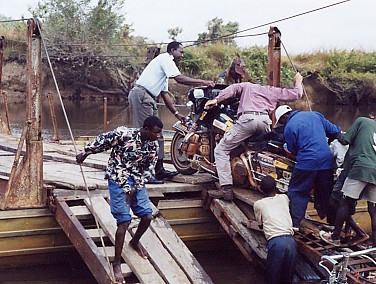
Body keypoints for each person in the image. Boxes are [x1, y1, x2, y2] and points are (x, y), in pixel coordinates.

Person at [76, 116, 163, 283]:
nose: (158, 136)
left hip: (136, 179)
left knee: (147, 216)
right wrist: (86, 152)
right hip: (117, 176)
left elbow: (148, 169)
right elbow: (104, 140)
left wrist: (134, 189)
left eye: (159, 133)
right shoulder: (124, 134)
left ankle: (135, 242)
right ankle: (116, 263)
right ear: (145, 130)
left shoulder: (153, 145)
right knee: (124, 221)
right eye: (156, 133)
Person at [204, 73, 304, 201]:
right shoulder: (272, 91)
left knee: (221, 150)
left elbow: (232, 89)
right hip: (264, 121)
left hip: (248, 119)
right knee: (264, 152)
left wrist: (217, 99)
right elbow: (296, 94)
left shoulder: (247, 86)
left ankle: (226, 189)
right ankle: (265, 183)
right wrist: (298, 81)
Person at [128, 41, 215, 182]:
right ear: (172, 50)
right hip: (141, 95)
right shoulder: (165, 59)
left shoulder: (164, 69)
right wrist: (203, 82)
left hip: (149, 97)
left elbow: (165, 94)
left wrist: (176, 114)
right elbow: (179, 79)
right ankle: (144, 173)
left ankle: (159, 170)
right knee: (146, 135)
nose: (182, 55)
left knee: (158, 135)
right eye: (180, 52)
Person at [320, 112, 376, 248]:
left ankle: (335, 237)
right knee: (374, 210)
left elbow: (344, 140)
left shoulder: (362, 120)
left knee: (345, 203)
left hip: (360, 167)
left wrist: (336, 134)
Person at [274, 106, 342, 228]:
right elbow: (336, 131)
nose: (283, 124)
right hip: (326, 162)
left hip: (307, 163)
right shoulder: (316, 115)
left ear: (284, 117)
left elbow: (293, 149)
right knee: (326, 193)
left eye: (281, 122)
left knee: (298, 191)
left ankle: (295, 224)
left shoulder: (289, 127)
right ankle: (333, 225)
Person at [243, 176, 297, 284]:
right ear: (276, 186)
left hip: (276, 243)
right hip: (291, 242)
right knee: (287, 279)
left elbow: (260, 225)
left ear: (261, 189)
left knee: (272, 277)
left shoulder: (259, 204)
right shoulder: (284, 198)